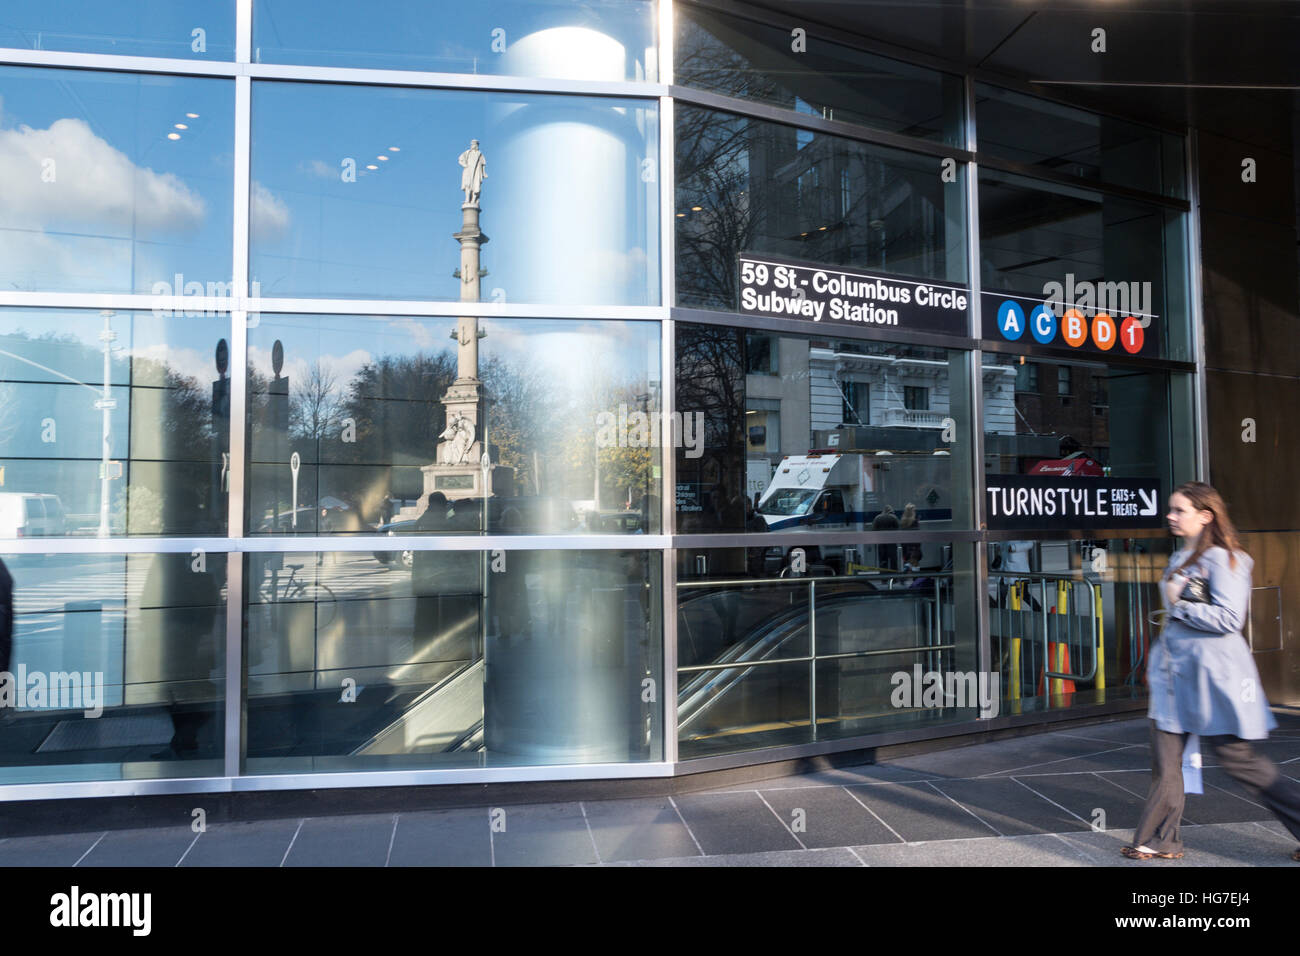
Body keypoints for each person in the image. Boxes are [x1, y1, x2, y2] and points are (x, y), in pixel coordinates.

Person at [1123, 481, 1300, 862]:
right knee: (1166, 760)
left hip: (1212, 681)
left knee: (1240, 761)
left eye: (1179, 510)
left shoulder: (1226, 559)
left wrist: (1178, 604)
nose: (1169, 516)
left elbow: (1230, 619)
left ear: (1206, 516)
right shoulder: (1180, 557)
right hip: (1175, 677)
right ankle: (1159, 840)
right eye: (1170, 509)